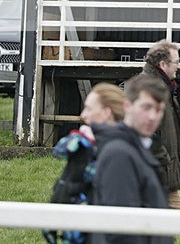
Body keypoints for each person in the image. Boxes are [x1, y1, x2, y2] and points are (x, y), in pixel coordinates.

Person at [90, 75, 174, 244]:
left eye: (158, 110)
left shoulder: (138, 148)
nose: (152, 116)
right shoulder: (119, 154)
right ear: (128, 106)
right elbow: (121, 228)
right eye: (146, 107)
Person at [44, 83, 125, 244]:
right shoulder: (84, 147)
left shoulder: (118, 154)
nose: (83, 115)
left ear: (106, 113)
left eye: (88, 109)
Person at [134, 40, 180, 209]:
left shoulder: (164, 88)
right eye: (176, 62)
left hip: (159, 173)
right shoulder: (149, 90)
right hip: (154, 172)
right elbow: (142, 133)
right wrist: (162, 161)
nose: (179, 67)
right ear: (163, 64)